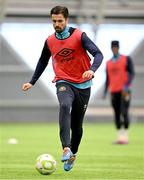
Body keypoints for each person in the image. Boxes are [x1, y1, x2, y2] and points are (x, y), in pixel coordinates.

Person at [22, 5, 103, 171]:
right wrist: (32, 81)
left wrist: (91, 70)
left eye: (60, 21)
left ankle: (73, 154)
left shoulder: (80, 36)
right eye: (54, 21)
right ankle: (66, 148)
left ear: (66, 20)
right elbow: (42, 61)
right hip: (63, 81)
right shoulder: (50, 41)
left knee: (77, 125)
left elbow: (98, 54)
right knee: (65, 106)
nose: (57, 24)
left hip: (83, 85)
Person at [103, 40, 135, 144]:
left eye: (116, 47)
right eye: (113, 47)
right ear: (111, 48)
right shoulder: (108, 63)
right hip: (114, 91)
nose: (114, 49)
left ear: (118, 48)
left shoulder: (126, 59)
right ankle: (119, 137)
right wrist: (105, 92)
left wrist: (126, 86)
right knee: (116, 114)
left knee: (124, 112)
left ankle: (125, 136)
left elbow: (132, 73)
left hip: (124, 91)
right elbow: (107, 79)